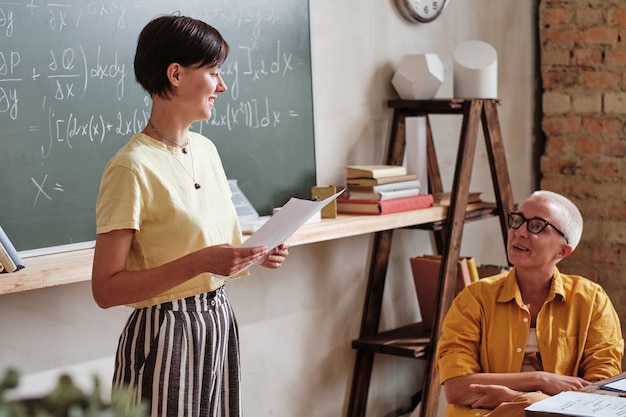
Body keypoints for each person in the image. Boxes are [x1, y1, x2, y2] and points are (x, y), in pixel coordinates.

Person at [91, 15, 289, 417]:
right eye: (214, 72)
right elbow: (105, 289)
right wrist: (201, 263)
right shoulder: (130, 168)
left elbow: (209, 244)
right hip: (165, 335)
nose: (222, 86)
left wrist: (255, 251)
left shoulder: (206, 151)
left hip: (217, 321)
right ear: (176, 74)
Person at [436, 190, 624, 417]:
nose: (519, 232)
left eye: (536, 226)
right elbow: (456, 388)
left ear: (562, 250)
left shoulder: (592, 301)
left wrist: (513, 398)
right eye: (517, 221)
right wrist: (541, 380)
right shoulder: (474, 299)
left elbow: (597, 396)